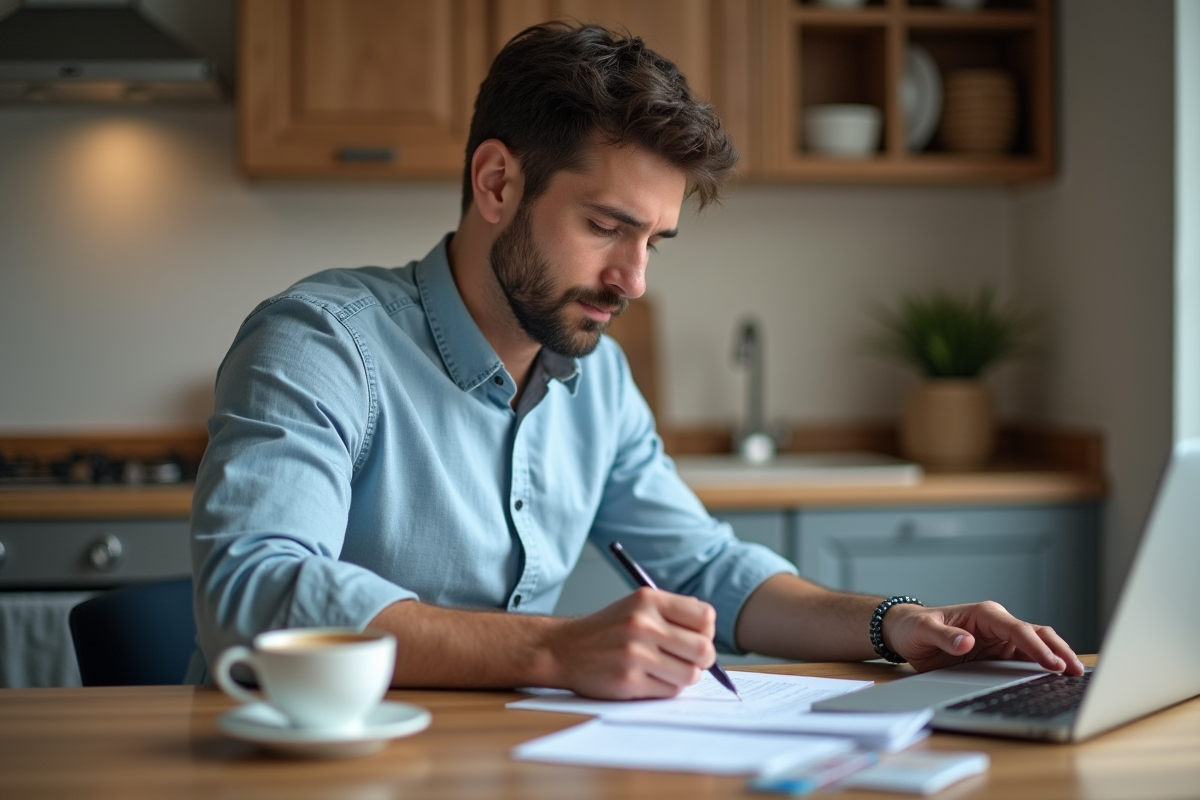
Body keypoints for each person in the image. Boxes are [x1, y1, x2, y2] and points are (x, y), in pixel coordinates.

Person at [189, 23, 1083, 697]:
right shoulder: (320, 342)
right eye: (607, 228)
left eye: (656, 240)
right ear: (497, 183)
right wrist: (550, 648)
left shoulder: (596, 378)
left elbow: (705, 569)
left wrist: (900, 624)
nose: (635, 280)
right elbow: (256, 585)